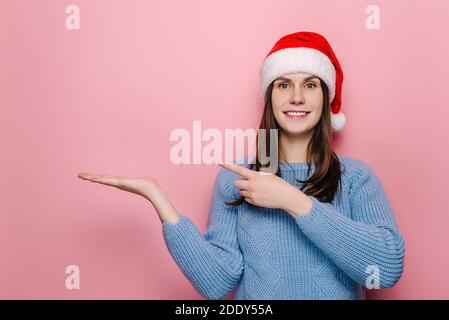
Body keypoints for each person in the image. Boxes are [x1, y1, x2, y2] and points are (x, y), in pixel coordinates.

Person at [78, 31, 405, 300]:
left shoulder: (356, 178)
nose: (296, 97)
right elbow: (217, 282)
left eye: (309, 84)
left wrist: (292, 200)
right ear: (270, 97)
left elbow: (386, 268)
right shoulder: (237, 179)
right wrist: (158, 199)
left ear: (325, 97)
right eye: (283, 84)